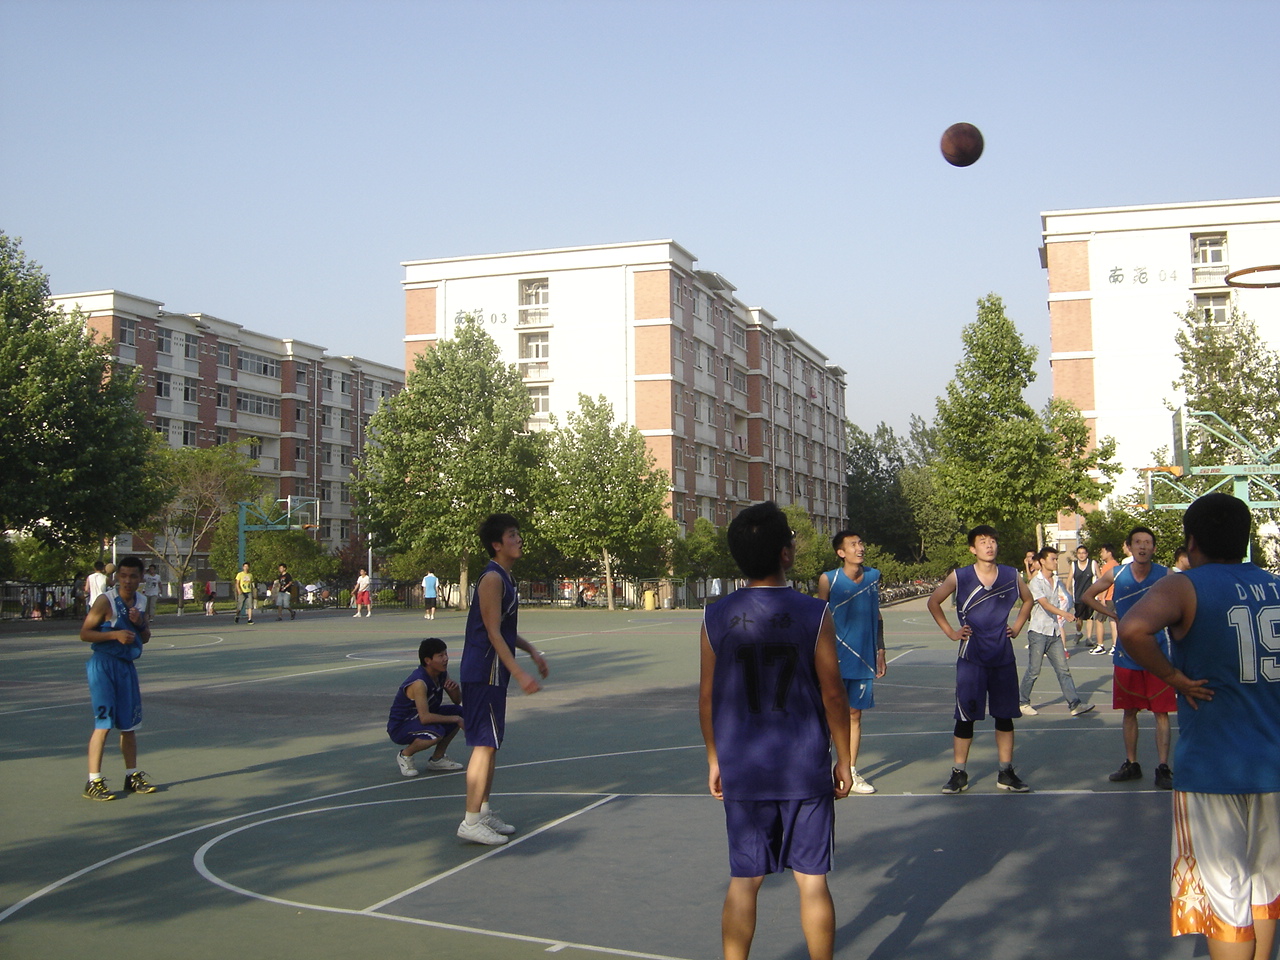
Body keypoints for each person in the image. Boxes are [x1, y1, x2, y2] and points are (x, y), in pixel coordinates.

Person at [1117, 493, 1279, 960]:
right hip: (1273, 762)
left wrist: (1173, 678)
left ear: (1191, 541)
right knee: (1266, 888)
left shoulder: (1185, 586)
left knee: (1225, 900)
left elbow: (1133, 629)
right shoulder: (1275, 586)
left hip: (1214, 766)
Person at [700, 501, 852, 960]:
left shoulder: (715, 616)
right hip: (803, 763)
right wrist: (845, 759)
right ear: (786, 553)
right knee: (812, 881)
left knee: (744, 881)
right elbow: (833, 694)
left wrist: (714, 758)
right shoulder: (814, 613)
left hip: (744, 765)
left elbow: (707, 698)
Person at [456, 514, 549, 845]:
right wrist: (520, 673)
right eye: (512, 535)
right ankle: (470, 820)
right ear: (497, 544)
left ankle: (482, 811)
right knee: (483, 744)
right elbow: (493, 632)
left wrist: (532, 651)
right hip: (483, 671)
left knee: (491, 743)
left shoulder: (506, 577)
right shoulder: (492, 579)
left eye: (518, 534)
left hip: (494, 672)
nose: (519, 539)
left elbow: (506, 630)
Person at [927, 525, 1035, 794]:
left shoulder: (1011, 575)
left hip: (1002, 656)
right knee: (965, 717)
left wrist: (1017, 626)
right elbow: (933, 602)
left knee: (1005, 716)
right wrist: (951, 632)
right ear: (972, 549)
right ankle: (959, 773)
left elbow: (1028, 600)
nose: (989, 545)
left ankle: (1006, 772)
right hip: (971, 658)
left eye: (993, 541)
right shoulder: (960, 576)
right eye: (983, 541)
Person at [1082, 526, 1175, 789]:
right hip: (1127, 654)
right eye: (1138, 542)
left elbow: (1186, 600)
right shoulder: (1117, 573)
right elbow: (1087, 596)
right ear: (1129, 547)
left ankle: (1163, 767)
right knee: (1129, 711)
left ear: (1153, 548)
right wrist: (1112, 615)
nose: (1143, 546)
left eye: (1147, 542)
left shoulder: (1166, 575)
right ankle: (1131, 763)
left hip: (1157, 654)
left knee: (1161, 713)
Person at [79, 555, 157, 801]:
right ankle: (93, 780)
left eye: (133, 576)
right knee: (103, 724)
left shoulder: (141, 601)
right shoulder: (106, 601)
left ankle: (131, 775)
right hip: (103, 665)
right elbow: (85, 633)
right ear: (117, 577)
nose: (127, 581)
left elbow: (145, 637)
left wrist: (139, 624)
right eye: (123, 576)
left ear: (141, 578)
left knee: (129, 725)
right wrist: (114, 635)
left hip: (126, 667)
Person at [816, 530, 885, 795]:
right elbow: (818, 618)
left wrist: (881, 650)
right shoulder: (829, 579)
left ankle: (851, 771)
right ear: (841, 552)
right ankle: (821, 770)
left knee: (854, 714)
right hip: (832, 658)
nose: (860, 548)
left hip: (863, 657)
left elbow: (877, 616)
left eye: (861, 543)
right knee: (828, 714)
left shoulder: (873, 576)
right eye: (853, 544)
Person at [1019, 547, 1094, 717]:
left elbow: (1066, 597)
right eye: (1053, 559)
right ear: (1042, 561)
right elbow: (1044, 604)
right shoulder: (1036, 582)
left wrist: (1072, 605)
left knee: (1063, 670)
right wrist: (1064, 614)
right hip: (1038, 632)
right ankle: (1023, 702)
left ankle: (1075, 704)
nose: (1055, 562)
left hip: (1054, 632)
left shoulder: (1056, 580)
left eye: (1056, 559)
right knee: (1034, 670)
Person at [388, 638, 465, 776]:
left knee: (459, 712)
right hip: (401, 726)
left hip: (421, 719)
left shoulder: (442, 674)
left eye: (446, 654)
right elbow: (425, 718)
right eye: (440, 656)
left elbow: (457, 701)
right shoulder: (419, 683)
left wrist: (455, 690)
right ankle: (405, 755)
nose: (446, 658)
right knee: (438, 732)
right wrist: (456, 719)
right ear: (428, 660)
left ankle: (437, 759)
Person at [1091, 543, 1120, 655]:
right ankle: (1115, 646)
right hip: (1114, 597)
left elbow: (1105, 583)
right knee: (1113, 621)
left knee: (1099, 620)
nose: (1101, 554)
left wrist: (1102, 598)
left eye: (1103, 552)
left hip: (1107, 598)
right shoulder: (1117, 565)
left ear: (1109, 552)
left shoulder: (1107, 566)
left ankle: (1100, 645)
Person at [1071, 545, 1100, 649]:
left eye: (1083, 553)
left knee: (1090, 617)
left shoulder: (1092, 564)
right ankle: (1078, 633)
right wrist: (1067, 593)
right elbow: (1069, 579)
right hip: (1078, 596)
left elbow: (1100, 577)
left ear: (1087, 554)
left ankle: (1089, 638)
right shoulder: (1074, 565)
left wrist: (1100, 593)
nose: (1081, 555)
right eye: (1079, 553)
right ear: (1077, 554)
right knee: (1079, 618)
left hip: (1090, 596)